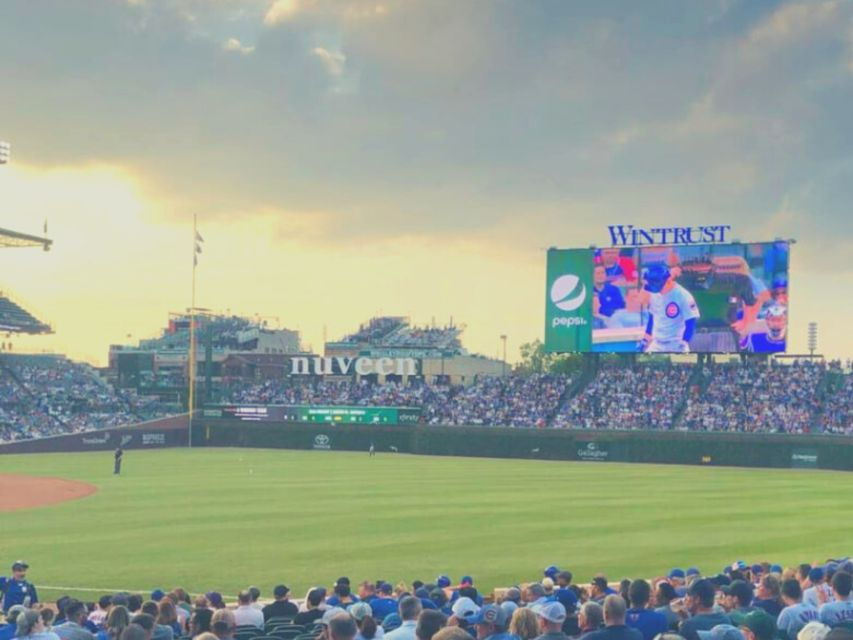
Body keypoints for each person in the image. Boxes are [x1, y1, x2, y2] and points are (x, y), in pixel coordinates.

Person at [641, 264, 700, 353]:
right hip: (657, 343)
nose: (658, 290)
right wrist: (646, 338)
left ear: (668, 280)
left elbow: (691, 321)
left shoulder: (683, 296)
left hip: (676, 344)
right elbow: (652, 315)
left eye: (660, 287)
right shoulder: (654, 293)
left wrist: (684, 341)